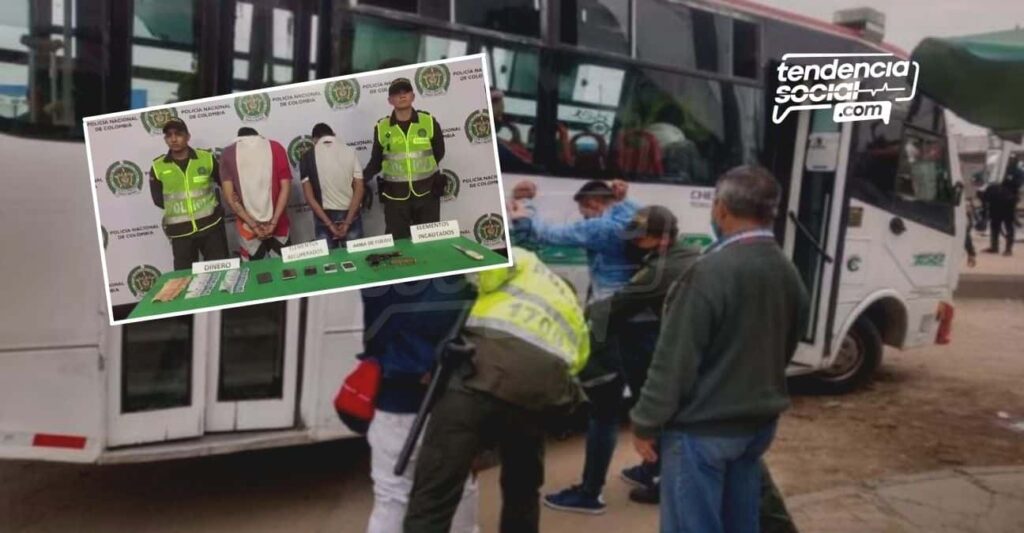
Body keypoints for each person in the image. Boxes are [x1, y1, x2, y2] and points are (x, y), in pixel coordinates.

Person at [631, 165, 809, 533]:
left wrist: (646, 421)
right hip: (755, 429)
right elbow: (787, 343)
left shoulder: (709, 272)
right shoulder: (786, 270)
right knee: (740, 524)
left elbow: (674, 361)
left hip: (702, 431)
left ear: (722, 210)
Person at [403, 248, 589, 533]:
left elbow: (487, 272)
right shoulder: (574, 313)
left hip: (475, 380)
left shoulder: (527, 260)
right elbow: (576, 367)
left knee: (433, 497)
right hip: (535, 400)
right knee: (523, 490)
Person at [543, 205, 700, 513]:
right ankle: (654, 471)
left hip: (638, 341)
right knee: (651, 407)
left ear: (663, 240)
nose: (632, 244)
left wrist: (577, 322)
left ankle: (590, 494)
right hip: (660, 341)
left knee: (605, 413)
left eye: (640, 239)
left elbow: (614, 307)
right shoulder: (686, 254)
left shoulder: (659, 271)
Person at [361, 276, 480, 533]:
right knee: (457, 488)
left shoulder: (374, 263)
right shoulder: (462, 267)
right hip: (451, 399)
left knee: (392, 496)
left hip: (395, 399)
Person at [509, 179, 640, 301]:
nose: (585, 220)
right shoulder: (632, 219)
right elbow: (631, 212)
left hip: (610, 299)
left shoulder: (599, 228)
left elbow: (544, 233)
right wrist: (623, 201)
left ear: (592, 203)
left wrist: (524, 203)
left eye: (585, 215)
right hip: (634, 297)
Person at [362, 77, 446, 240]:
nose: (402, 96)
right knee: (398, 242)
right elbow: (376, 161)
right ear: (390, 100)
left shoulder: (428, 121)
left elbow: (439, 152)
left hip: (427, 192)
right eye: (396, 93)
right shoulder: (382, 127)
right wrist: (361, 179)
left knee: (429, 241)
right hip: (395, 196)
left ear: (413, 96)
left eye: (405, 92)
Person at [148, 118, 229, 270]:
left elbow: (224, 185)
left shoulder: (206, 158)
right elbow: (158, 200)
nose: (173, 139)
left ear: (187, 136)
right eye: (168, 135)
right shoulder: (157, 166)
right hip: (180, 234)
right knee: (183, 279)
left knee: (220, 272)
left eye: (178, 134)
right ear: (165, 139)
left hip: (211, 227)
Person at [220, 127, 293, 260]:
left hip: (247, 227)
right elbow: (286, 187)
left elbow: (230, 198)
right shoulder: (276, 147)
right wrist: (273, 222)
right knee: (285, 271)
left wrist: (253, 225)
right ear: (258, 135)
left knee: (257, 274)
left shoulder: (228, 153)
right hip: (278, 224)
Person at [300, 123, 365, 249]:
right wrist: (347, 222)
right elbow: (359, 188)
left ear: (314, 140)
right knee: (357, 260)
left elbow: (309, 197)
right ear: (333, 134)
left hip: (324, 216)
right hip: (351, 213)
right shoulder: (350, 151)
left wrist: (329, 224)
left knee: (329, 265)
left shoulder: (307, 157)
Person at [984, 157, 1022, 256]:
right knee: (994, 225)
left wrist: (1006, 182)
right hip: (996, 202)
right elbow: (989, 183)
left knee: (1008, 225)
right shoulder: (998, 171)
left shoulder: (1017, 172)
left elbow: (1018, 184)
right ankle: (994, 247)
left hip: (1008, 202)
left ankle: (1008, 249)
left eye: (1012, 160)